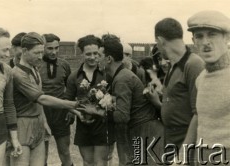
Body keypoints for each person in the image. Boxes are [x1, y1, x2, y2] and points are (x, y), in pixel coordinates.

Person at [80, 37, 164, 166]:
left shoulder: (122, 78)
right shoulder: (120, 75)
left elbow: (121, 117)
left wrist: (95, 111)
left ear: (109, 59)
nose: (96, 58)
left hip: (147, 133)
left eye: (99, 55)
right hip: (142, 131)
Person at [11, 32, 83, 166]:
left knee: (55, 156)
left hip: (39, 120)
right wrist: (74, 105)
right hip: (23, 123)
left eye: (41, 52)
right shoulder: (17, 74)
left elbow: (40, 102)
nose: (40, 56)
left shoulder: (34, 69)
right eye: (36, 53)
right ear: (25, 51)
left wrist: (43, 121)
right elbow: (42, 99)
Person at [147, 18, 204, 164]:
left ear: (160, 40)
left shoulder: (193, 64)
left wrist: (183, 155)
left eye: (157, 43)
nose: (158, 48)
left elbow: (199, 114)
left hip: (186, 146)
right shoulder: (173, 65)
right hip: (172, 142)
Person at [182, 10, 230, 165]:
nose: (205, 42)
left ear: (226, 38)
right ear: (193, 41)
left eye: (212, 34)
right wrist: (182, 157)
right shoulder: (201, 78)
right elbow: (199, 119)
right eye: (199, 36)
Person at [65, 35, 115, 166]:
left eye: (96, 53)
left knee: (101, 162)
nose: (92, 57)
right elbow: (67, 102)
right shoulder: (74, 77)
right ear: (82, 54)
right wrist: (79, 114)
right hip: (84, 125)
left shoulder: (107, 74)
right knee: (87, 162)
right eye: (88, 54)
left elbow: (115, 100)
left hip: (103, 125)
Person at [39, 33, 74, 166]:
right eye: (50, 48)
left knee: (65, 152)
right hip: (42, 113)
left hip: (61, 113)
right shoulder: (36, 65)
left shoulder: (64, 64)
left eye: (56, 48)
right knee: (43, 155)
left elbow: (70, 90)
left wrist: (70, 110)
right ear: (42, 48)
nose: (54, 52)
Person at [0, 27, 22, 165]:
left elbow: (9, 105)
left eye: (9, 49)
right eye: (5, 50)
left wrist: (14, 139)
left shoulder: (7, 70)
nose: (8, 54)